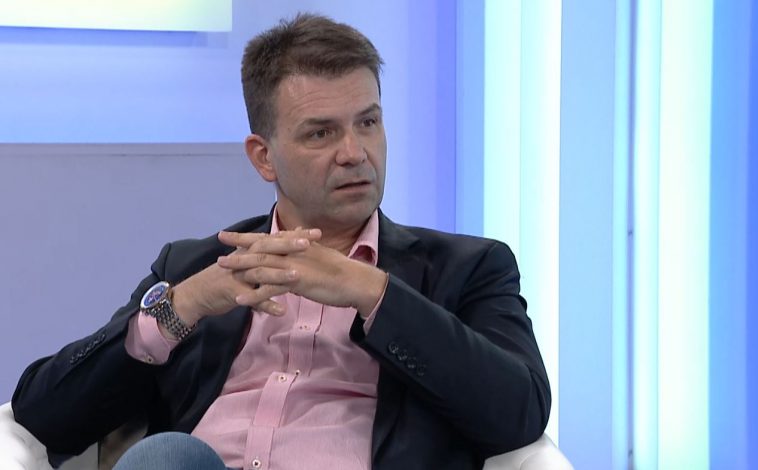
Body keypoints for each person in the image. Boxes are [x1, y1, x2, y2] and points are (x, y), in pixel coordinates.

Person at [12, 13, 550, 470]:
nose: (354, 152)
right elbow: (44, 417)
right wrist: (184, 307)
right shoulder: (196, 267)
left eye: (368, 122)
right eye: (321, 132)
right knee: (167, 456)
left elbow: (518, 413)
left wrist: (372, 292)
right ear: (263, 156)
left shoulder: (468, 267)